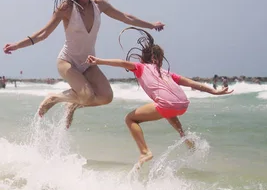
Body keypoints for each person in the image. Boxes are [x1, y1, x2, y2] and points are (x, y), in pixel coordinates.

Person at [3, 0, 165, 128]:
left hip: (88, 62)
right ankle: (54, 98)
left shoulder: (99, 5)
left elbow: (125, 17)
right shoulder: (66, 8)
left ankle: (72, 104)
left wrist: (151, 25)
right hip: (67, 62)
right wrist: (17, 45)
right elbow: (44, 33)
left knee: (106, 97)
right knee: (87, 96)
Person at [85, 28, 232, 167]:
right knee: (169, 111)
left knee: (130, 119)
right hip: (183, 104)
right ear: (159, 60)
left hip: (168, 105)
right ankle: (184, 137)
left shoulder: (140, 67)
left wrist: (99, 61)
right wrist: (214, 92)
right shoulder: (167, 73)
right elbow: (191, 82)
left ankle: (145, 152)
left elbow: (122, 63)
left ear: (143, 58)